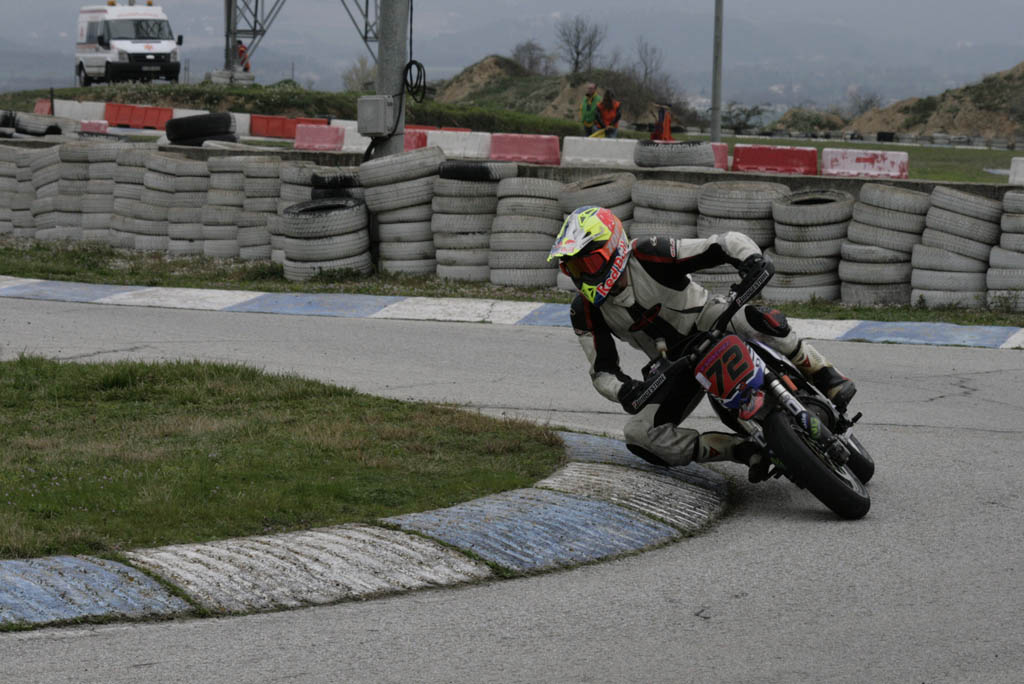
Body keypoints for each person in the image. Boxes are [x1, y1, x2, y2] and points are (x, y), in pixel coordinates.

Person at [547, 206, 857, 481]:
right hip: (675, 366)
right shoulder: (584, 310)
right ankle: (741, 449)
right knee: (639, 434)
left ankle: (823, 373)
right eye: (573, 268)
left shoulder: (648, 252)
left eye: (587, 264)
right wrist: (626, 390)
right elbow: (602, 372)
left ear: (613, 247)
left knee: (752, 317)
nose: (582, 275)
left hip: (709, 320)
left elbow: (721, 244)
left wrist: (750, 260)